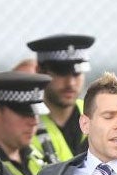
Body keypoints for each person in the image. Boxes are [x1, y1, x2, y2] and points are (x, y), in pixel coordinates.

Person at [28, 33, 95, 162]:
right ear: (39, 71)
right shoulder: (25, 126)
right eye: (60, 72)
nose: (70, 83)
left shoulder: (97, 115)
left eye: (76, 73)